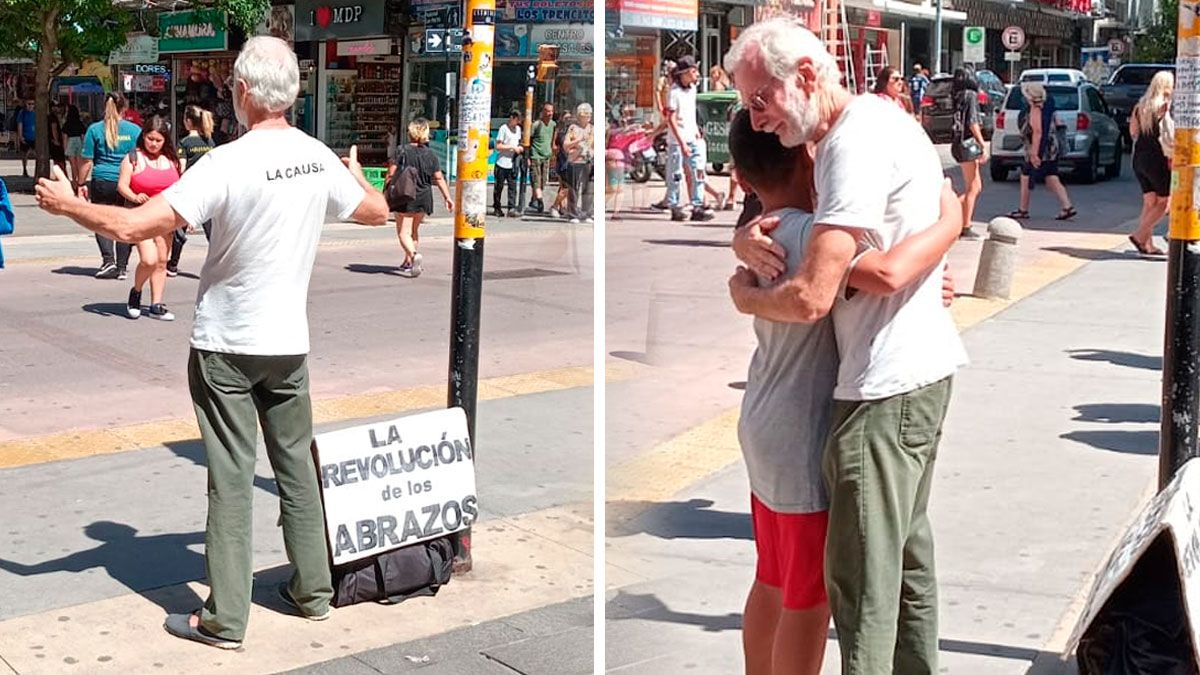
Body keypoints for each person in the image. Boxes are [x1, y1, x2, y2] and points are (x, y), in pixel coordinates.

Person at [34, 35, 389, 650]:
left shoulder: (226, 163)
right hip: (288, 346)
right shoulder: (316, 156)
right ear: (295, 93)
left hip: (226, 343)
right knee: (297, 471)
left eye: (232, 87)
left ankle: (225, 618)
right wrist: (354, 175)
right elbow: (379, 211)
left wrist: (69, 206)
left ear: (245, 93)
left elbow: (130, 224)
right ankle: (313, 593)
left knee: (231, 477)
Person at [725, 18, 968, 673]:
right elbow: (864, 276)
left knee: (829, 581)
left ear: (806, 77)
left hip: (847, 403)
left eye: (760, 101)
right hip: (841, 404)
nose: (758, 117)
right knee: (867, 581)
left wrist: (744, 284)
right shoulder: (876, 126)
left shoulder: (844, 148)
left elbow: (840, 284)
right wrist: (955, 219)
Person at [117, 115, 181, 320]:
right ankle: (136, 291)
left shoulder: (171, 160)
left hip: (165, 218)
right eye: (150, 138)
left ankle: (156, 304)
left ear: (165, 141)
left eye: (158, 140)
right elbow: (122, 186)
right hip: (141, 216)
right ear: (143, 136)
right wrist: (135, 196)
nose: (153, 144)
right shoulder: (134, 157)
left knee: (162, 260)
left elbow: (180, 189)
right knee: (149, 259)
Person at [80, 92, 141, 280]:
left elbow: (87, 161)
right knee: (123, 222)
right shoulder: (134, 130)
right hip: (126, 181)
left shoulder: (94, 129)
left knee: (101, 222)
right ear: (125, 108)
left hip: (102, 181)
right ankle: (122, 267)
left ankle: (108, 261)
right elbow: (138, 158)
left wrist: (80, 183)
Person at [386, 117, 454, 277]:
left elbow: (391, 172)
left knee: (403, 232)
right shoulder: (430, 154)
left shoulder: (401, 150)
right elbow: (438, 178)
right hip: (424, 196)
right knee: (414, 231)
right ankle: (408, 261)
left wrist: (387, 189)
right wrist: (447, 197)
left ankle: (414, 255)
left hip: (405, 196)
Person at [1007, 82, 1076, 221]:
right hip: (1052, 146)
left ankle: (1023, 209)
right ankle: (1067, 206)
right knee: (1051, 176)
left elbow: (1037, 132)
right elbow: (1058, 123)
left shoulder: (1035, 109)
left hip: (1040, 147)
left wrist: (1034, 153)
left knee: (1026, 176)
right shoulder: (1049, 104)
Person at [1128, 70, 1175, 256]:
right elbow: (1168, 134)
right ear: (1166, 86)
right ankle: (1140, 236)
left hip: (1139, 157)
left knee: (1149, 202)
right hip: (1157, 158)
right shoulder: (1163, 106)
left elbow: (1133, 131)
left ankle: (1147, 245)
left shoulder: (1140, 106)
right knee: (1165, 202)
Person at [166, 105, 216, 277]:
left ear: (188, 121)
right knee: (211, 232)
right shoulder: (209, 141)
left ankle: (172, 265)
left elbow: (182, 168)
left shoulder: (185, 143)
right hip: (208, 189)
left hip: (191, 189)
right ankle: (218, 265)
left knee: (180, 230)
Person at [664, 55, 713, 222]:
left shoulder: (692, 89)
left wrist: (695, 129)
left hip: (692, 136)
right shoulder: (674, 93)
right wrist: (681, 141)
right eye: (693, 71)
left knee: (698, 171)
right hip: (678, 141)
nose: (697, 74)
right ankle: (675, 206)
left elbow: (689, 113)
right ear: (684, 73)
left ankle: (697, 205)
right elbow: (670, 118)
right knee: (676, 174)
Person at [951, 68, 989, 239]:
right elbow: (973, 122)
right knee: (973, 187)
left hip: (958, 143)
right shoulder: (970, 95)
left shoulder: (957, 95)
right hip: (967, 144)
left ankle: (954, 216)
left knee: (975, 186)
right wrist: (982, 144)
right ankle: (964, 225)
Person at [564, 103, 595, 223]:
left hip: (588, 160)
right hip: (575, 160)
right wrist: (578, 141)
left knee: (589, 188)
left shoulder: (592, 129)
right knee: (573, 188)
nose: (588, 117)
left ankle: (587, 213)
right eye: (585, 115)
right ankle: (572, 214)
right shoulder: (573, 128)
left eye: (589, 115)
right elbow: (566, 146)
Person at [493, 111, 522, 217]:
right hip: (502, 162)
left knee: (512, 186)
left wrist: (519, 148)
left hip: (512, 162)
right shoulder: (503, 129)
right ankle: (497, 206)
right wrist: (511, 147)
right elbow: (498, 146)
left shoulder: (518, 130)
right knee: (499, 186)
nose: (517, 123)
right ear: (512, 118)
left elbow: (518, 142)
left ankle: (511, 207)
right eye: (516, 120)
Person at [529, 102, 556, 213]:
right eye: (547, 111)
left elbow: (552, 140)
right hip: (535, 155)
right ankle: (539, 201)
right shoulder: (536, 124)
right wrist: (528, 157)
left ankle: (533, 200)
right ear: (543, 111)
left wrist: (552, 154)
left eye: (551, 111)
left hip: (546, 156)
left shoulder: (553, 125)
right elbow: (528, 140)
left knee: (543, 181)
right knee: (536, 180)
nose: (549, 113)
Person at [550, 111, 574, 219]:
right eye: (566, 118)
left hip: (570, 161)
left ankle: (563, 208)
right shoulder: (559, 131)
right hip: (562, 161)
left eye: (570, 118)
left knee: (565, 187)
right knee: (566, 187)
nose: (568, 120)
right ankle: (555, 207)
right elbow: (554, 145)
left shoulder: (572, 130)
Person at [62, 104, 87, 187]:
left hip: (70, 142)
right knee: (79, 164)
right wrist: (84, 146)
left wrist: (65, 148)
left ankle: (74, 181)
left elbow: (65, 137)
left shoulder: (67, 123)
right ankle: (80, 181)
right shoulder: (80, 123)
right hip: (79, 142)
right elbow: (83, 136)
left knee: (72, 164)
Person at [17, 99, 35, 177]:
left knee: (37, 154)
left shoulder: (36, 113)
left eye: (32, 104)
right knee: (25, 155)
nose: (30, 105)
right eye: (29, 104)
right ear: (26, 104)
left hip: (35, 137)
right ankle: (25, 169)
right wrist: (21, 136)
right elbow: (20, 124)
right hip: (26, 136)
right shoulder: (22, 113)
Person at [47, 104, 66, 177]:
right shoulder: (53, 118)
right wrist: (56, 140)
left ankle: (59, 175)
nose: (58, 109)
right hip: (55, 142)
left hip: (52, 141)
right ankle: (61, 175)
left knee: (57, 160)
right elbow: (54, 129)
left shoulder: (51, 117)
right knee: (60, 160)